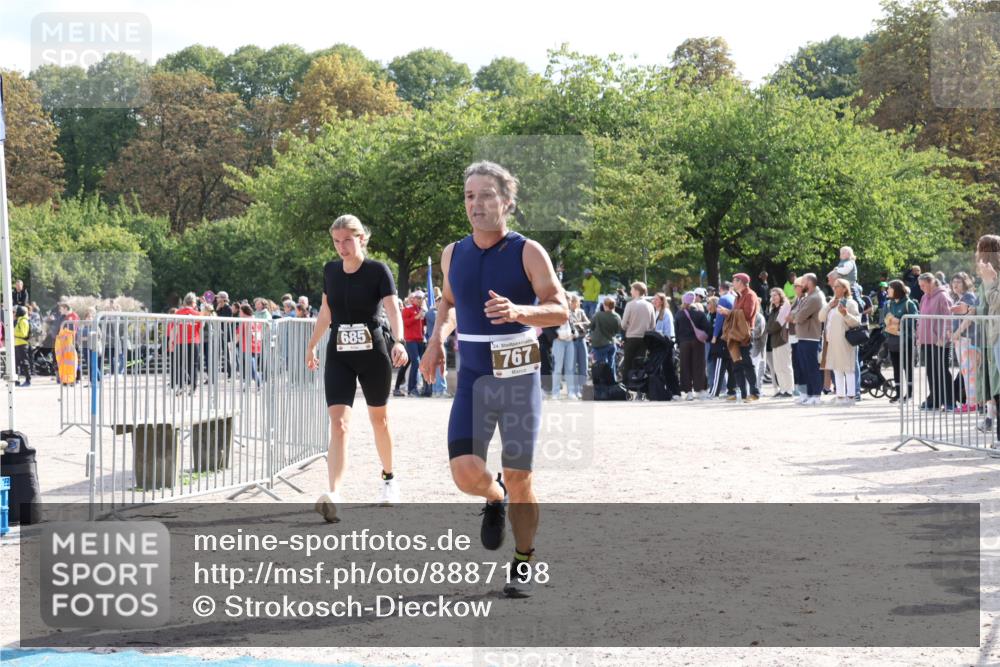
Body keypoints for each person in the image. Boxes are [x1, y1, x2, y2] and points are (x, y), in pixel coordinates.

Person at [420, 161, 568, 598]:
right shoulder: (453, 253)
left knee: (521, 476)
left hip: (519, 378)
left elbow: (559, 307)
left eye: (486, 195)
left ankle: (523, 560)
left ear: (506, 201)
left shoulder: (528, 251)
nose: (476, 204)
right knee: (465, 473)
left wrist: (520, 311)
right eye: (470, 196)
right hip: (473, 378)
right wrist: (435, 341)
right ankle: (493, 495)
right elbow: (449, 304)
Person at [305, 214, 409, 522]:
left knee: (380, 420)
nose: (342, 247)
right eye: (336, 241)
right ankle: (334, 494)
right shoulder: (330, 271)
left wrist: (399, 341)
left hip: (373, 352)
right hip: (339, 353)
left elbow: (392, 308)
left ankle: (389, 479)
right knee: (338, 424)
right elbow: (326, 311)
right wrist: (312, 344)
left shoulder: (378, 270)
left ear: (361, 239)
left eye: (347, 240)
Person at [819, 279, 862, 405]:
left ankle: (851, 397)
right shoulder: (832, 302)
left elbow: (856, 322)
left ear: (844, 288)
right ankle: (841, 397)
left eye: (837, 286)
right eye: (834, 286)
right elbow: (821, 317)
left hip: (844, 340)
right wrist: (829, 306)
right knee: (836, 369)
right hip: (831, 341)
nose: (834, 288)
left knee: (848, 369)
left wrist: (846, 314)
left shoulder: (851, 303)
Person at [719, 273, 761, 402]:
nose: (733, 283)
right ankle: (742, 394)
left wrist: (728, 312)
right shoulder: (738, 296)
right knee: (736, 364)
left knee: (747, 363)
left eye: (735, 281)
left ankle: (754, 393)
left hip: (745, 333)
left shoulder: (750, 295)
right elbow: (736, 315)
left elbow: (747, 314)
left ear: (741, 282)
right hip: (735, 334)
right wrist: (727, 313)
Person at [916, 272, 955, 410]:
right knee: (931, 372)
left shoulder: (943, 296)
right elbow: (920, 318)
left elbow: (949, 317)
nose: (921, 288)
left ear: (931, 282)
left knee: (942, 371)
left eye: (923, 285)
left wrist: (944, 337)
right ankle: (935, 400)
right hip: (926, 340)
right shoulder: (924, 297)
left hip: (939, 341)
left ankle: (950, 401)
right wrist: (918, 336)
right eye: (920, 285)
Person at [790, 273, 827, 405]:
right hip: (804, 336)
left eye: (803, 282)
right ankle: (810, 394)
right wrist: (796, 315)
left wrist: (796, 316)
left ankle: (816, 395)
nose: (801, 285)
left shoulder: (815, 297)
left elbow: (799, 316)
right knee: (805, 367)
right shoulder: (809, 296)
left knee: (811, 367)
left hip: (811, 337)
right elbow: (795, 313)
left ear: (809, 283)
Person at [883, 280, 918, 403]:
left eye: (890, 288)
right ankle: (898, 394)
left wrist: (900, 321)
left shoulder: (909, 304)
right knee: (896, 368)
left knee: (907, 368)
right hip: (893, 340)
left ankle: (909, 394)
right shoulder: (888, 304)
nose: (887, 290)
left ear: (897, 289)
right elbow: (883, 320)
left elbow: (915, 320)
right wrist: (887, 324)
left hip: (906, 341)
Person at [949, 272, 978, 413]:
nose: (955, 285)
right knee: (966, 372)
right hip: (960, 340)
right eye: (953, 282)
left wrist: (957, 332)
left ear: (965, 283)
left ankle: (972, 403)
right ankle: (970, 402)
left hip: (968, 339)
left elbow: (969, 318)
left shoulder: (968, 297)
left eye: (958, 282)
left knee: (970, 372)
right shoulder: (958, 298)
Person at [675, 292, 711, 400]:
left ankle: (688, 392)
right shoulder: (700, 314)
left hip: (684, 343)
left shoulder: (679, 314)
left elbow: (676, 330)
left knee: (685, 366)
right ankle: (700, 390)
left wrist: (678, 342)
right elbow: (708, 328)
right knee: (699, 366)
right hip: (698, 342)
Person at [620, 282, 655, 379]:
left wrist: (629, 327)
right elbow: (653, 325)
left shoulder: (630, 305)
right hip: (644, 339)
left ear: (636, 291)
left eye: (631, 290)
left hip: (631, 338)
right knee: (640, 364)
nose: (630, 292)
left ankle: (626, 385)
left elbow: (623, 324)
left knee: (628, 364)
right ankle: (639, 385)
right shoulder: (650, 305)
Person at [765, 288, 794, 398]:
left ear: (780, 296)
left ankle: (789, 390)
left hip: (783, 340)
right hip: (774, 341)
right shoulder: (773, 310)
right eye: (771, 296)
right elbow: (768, 325)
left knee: (785, 366)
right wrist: (769, 329)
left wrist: (770, 329)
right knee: (777, 368)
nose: (773, 297)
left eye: (775, 295)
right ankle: (782, 389)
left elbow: (777, 325)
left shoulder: (784, 307)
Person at [710, 281, 735, 397]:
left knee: (720, 364)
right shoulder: (735, 298)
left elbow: (719, 319)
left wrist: (715, 336)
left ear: (720, 289)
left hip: (723, 335)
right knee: (731, 364)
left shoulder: (723, 299)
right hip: (734, 335)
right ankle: (732, 390)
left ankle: (714, 392)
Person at [590, 297, 621, 381]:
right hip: (612, 343)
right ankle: (612, 382)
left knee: (601, 366)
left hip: (600, 344)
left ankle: (602, 384)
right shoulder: (617, 316)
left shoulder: (598, 315)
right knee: (611, 364)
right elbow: (618, 330)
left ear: (605, 305)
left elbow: (591, 327)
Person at [568, 293, 589, 399]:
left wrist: (580, 325)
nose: (576, 304)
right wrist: (578, 324)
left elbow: (588, 323)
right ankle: (572, 391)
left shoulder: (581, 312)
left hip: (582, 340)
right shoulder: (567, 313)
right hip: (572, 341)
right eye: (574, 302)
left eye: (577, 302)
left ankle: (581, 389)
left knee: (583, 366)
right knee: (572, 367)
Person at [13, 306, 31, 387]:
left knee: (24, 362)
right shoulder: (19, 320)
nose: (14, 313)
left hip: (22, 344)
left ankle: (28, 380)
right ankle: (16, 380)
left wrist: (13, 333)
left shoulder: (23, 321)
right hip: (17, 344)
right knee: (16, 363)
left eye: (15, 311)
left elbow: (24, 334)